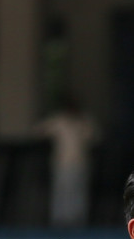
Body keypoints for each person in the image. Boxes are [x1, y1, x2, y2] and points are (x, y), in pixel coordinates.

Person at [36, 95, 97, 229]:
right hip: (61, 162)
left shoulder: (83, 121)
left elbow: (94, 135)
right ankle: (59, 219)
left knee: (78, 190)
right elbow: (40, 130)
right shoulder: (58, 120)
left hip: (80, 161)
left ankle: (77, 219)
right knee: (61, 190)